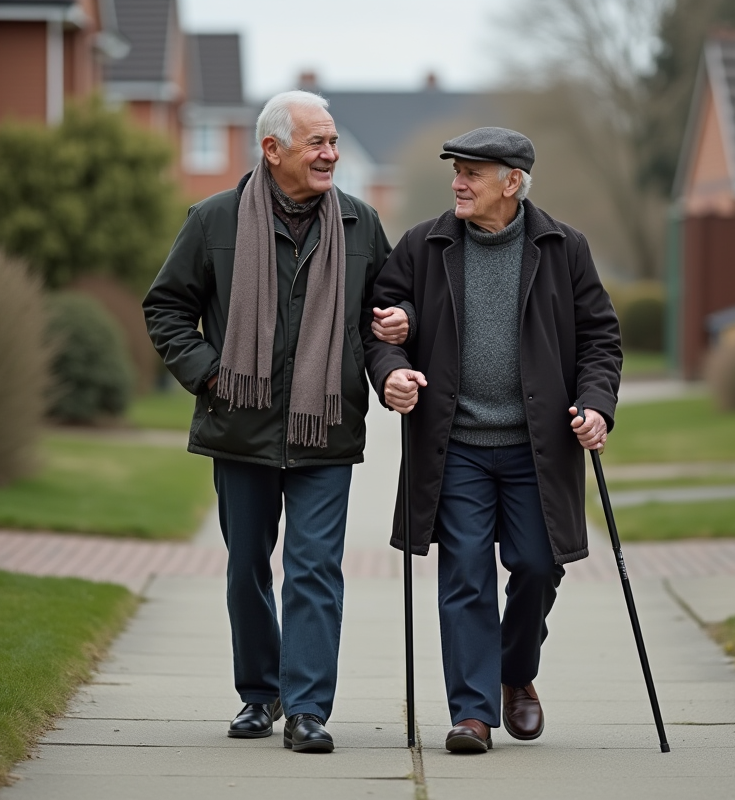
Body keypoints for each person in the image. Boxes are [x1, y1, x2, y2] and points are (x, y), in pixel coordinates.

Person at [143, 90, 400, 754]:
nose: (331, 154)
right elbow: (167, 308)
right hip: (241, 427)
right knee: (247, 568)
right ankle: (260, 694)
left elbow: (384, 324)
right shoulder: (215, 220)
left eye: (334, 141)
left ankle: (309, 707)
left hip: (327, 429)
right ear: (272, 149)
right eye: (317, 142)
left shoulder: (360, 225)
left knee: (315, 568)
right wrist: (209, 372)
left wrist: (398, 338)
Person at [366, 127, 622, 753]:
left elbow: (599, 340)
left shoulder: (564, 248)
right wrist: (391, 368)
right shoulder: (422, 246)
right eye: (457, 170)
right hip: (455, 448)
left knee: (538, 565)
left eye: (473, 173)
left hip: (538, 447)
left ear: (512, 183)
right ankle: (472, 713)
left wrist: (596, 406)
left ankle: (516, 673)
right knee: (466, 577)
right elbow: (381, 323)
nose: (458, 181)